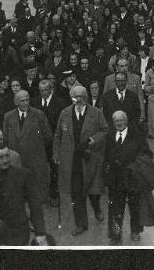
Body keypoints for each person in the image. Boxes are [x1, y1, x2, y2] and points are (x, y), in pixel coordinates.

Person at [53, 85, 108, 236]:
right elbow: (58, 135)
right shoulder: (64, 113)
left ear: (86, 98)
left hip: (90, 159)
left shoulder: (96, 113)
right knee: (77, 193)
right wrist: (56, 154)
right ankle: (81, 224)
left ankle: (96, 207)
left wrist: (93, 139)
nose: (78, 100)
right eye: (75, 97)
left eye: (82, 97)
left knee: (93, 190)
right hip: (72, 161)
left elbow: (105, 130)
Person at [0, 142, 48, 246]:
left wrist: (40, 232)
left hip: (17, 232)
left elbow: (35, 205)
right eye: (1, 157)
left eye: (7, 156)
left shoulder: (23, 175)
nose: (5, 160)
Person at [104, 111, 150, 245]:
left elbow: (147, 154)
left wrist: (136, 166)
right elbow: (105, 157)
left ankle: (135, 230)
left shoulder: (136, 136)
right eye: (116, 121)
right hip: (115, 181)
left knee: (134, 206)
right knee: (115, 209)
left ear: (126, 121)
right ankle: (115, 236)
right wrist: (106, 176)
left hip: (132, 179)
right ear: (113, 123)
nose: (119, 123)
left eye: (121, 121)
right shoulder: (109, 136)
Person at [3, 90, 53, 203]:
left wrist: (36, 148)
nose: (25, 103)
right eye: (22, 101)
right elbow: (5, 138)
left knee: (36, 196)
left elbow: (48, 136)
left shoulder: (38, 114)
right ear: (16, 102)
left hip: (35, 160)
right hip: (16, 160)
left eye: (27, 100)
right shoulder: (8, 117)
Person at [30, 79, 69, 206]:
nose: (43, 93)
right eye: (41, 90)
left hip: (54, 141)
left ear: (51, 89)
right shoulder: (34, 102)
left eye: (46, 90)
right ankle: (41, 194)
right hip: (39, 141)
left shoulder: (60, 103)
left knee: (54, 168)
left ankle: (54, 194)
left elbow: (63, 123)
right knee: (40, 168)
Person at [102, 71, 143, 137]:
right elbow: (106, 114)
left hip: (129, 132)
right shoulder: (107, 96)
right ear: (115, 82)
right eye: (118, 81)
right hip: (113, 132)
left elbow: (136, 115)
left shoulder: (133, 96)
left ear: (126, 81)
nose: (120, 83)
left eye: (123, 81)